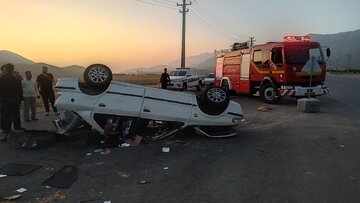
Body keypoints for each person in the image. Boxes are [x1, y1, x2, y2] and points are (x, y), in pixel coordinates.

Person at [0, 63, 24, 141]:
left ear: (6, 69)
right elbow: (20, 90)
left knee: (6, 117)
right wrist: (20, 99)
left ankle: (7, 133)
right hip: (15, 100)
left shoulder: (2, 78)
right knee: (16, 115)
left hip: (6, 100)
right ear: (13, 69)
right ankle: (18, 129)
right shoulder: (17, 79)